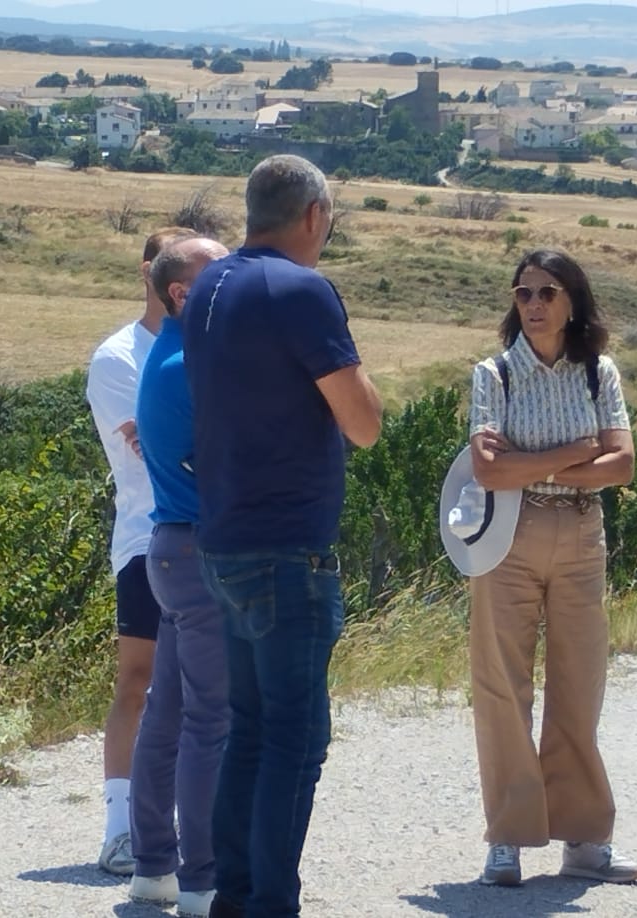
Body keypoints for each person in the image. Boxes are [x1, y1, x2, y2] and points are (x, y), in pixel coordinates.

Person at [180, 155, 383, 918]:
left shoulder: (209, 285)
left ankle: (234, 897)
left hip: (225, 534)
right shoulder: (301, 289)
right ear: (314, 215)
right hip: (286, 545)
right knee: (293, 741)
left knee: (250, 730)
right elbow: (362, 424)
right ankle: (269, 904)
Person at [464, 249, 637, 889]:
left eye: (547, 292)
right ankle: (508, 839)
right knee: (502, 684)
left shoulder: (599, 374)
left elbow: (621, 466)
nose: (534, 305)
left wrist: (531, 460)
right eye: (523, 294)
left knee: (579, 681)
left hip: (582, 532)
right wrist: (576, 451)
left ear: (573, 301)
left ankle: (585, 838)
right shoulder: (494, 374)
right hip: (507, 533)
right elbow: (488, 470)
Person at [128, 234, 233, 918]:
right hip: (199, 553)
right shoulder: (193, 364)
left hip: (168, 548)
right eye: (215, 275)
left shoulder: (165, 358)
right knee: (208, 721)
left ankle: (153, 868)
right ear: (181, 293)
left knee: (165, 713)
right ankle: (201, 880)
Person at [86, 225, 191, 875]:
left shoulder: (209, 348)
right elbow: (148, 450)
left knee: (206, 687)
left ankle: (183, 824)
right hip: (146, 535)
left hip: (207, 529)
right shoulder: (120, 356)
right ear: (147, 272)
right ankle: (118, 828)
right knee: (138, 680)